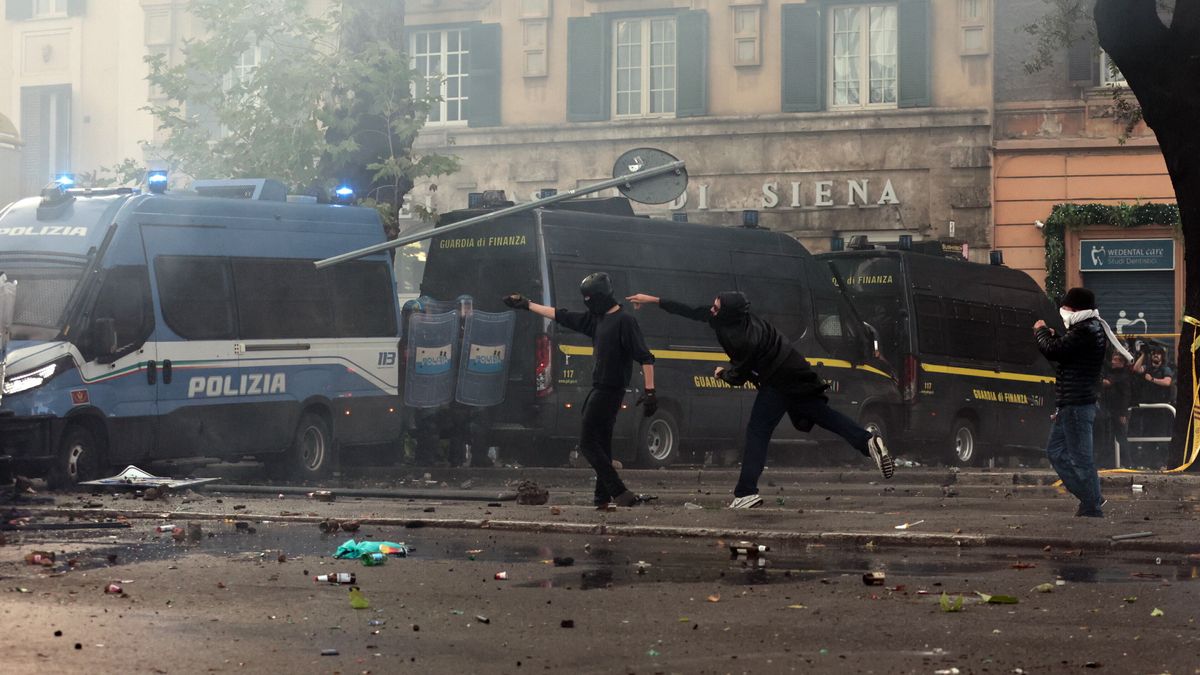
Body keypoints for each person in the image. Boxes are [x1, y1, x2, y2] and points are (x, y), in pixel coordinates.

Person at [625, 291, 894, 510]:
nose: (712, 310)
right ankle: (866, 441)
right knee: (823, 415)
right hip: (794, 372)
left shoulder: (742, 338)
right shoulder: (734, 319)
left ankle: (745, 492)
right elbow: (691, 309)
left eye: (717, 308)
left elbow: (741, 373)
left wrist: (723, 373)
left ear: (728, 313)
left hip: (779, 379)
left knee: (758, 431)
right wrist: (654, 300)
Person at [503, 273, 655, 508]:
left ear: (602, 296)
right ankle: (602, 498)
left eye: (591, 299)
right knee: (602, 443)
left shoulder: (625, 321)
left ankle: (620, 492)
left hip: (610, 390)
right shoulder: (597, 320)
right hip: (600, 388)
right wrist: (527, 304)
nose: (588, 304)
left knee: (587, 443)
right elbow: (562, 315)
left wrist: (650, 391)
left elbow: (645, 357)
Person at [1033, 287, 1132, 517]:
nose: (1062, 311)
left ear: (1076, 309)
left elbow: (1053, 350)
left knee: (1080, 459)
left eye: (1065, 307)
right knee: (1056, 451)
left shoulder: (1086, 329)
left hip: (1077, 404)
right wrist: (1054, 336)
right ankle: (1092, 498)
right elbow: (1068, 353)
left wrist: (1040, 333)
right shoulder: (1088, 328)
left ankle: (1092, 505)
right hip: (1071, 402)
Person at [1097, 352, 1133, 469]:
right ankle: (1108, 463)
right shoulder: (1113, 372)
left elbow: (1125, 395)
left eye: (1116, 360)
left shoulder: (1123, 375)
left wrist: (1123, 413)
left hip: (1118, 411)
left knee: (1120, 437)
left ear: (1122, 363)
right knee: (1108, 437)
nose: (1113, 361)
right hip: (1109, 409)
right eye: (1113, 359)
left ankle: (1127, 463)